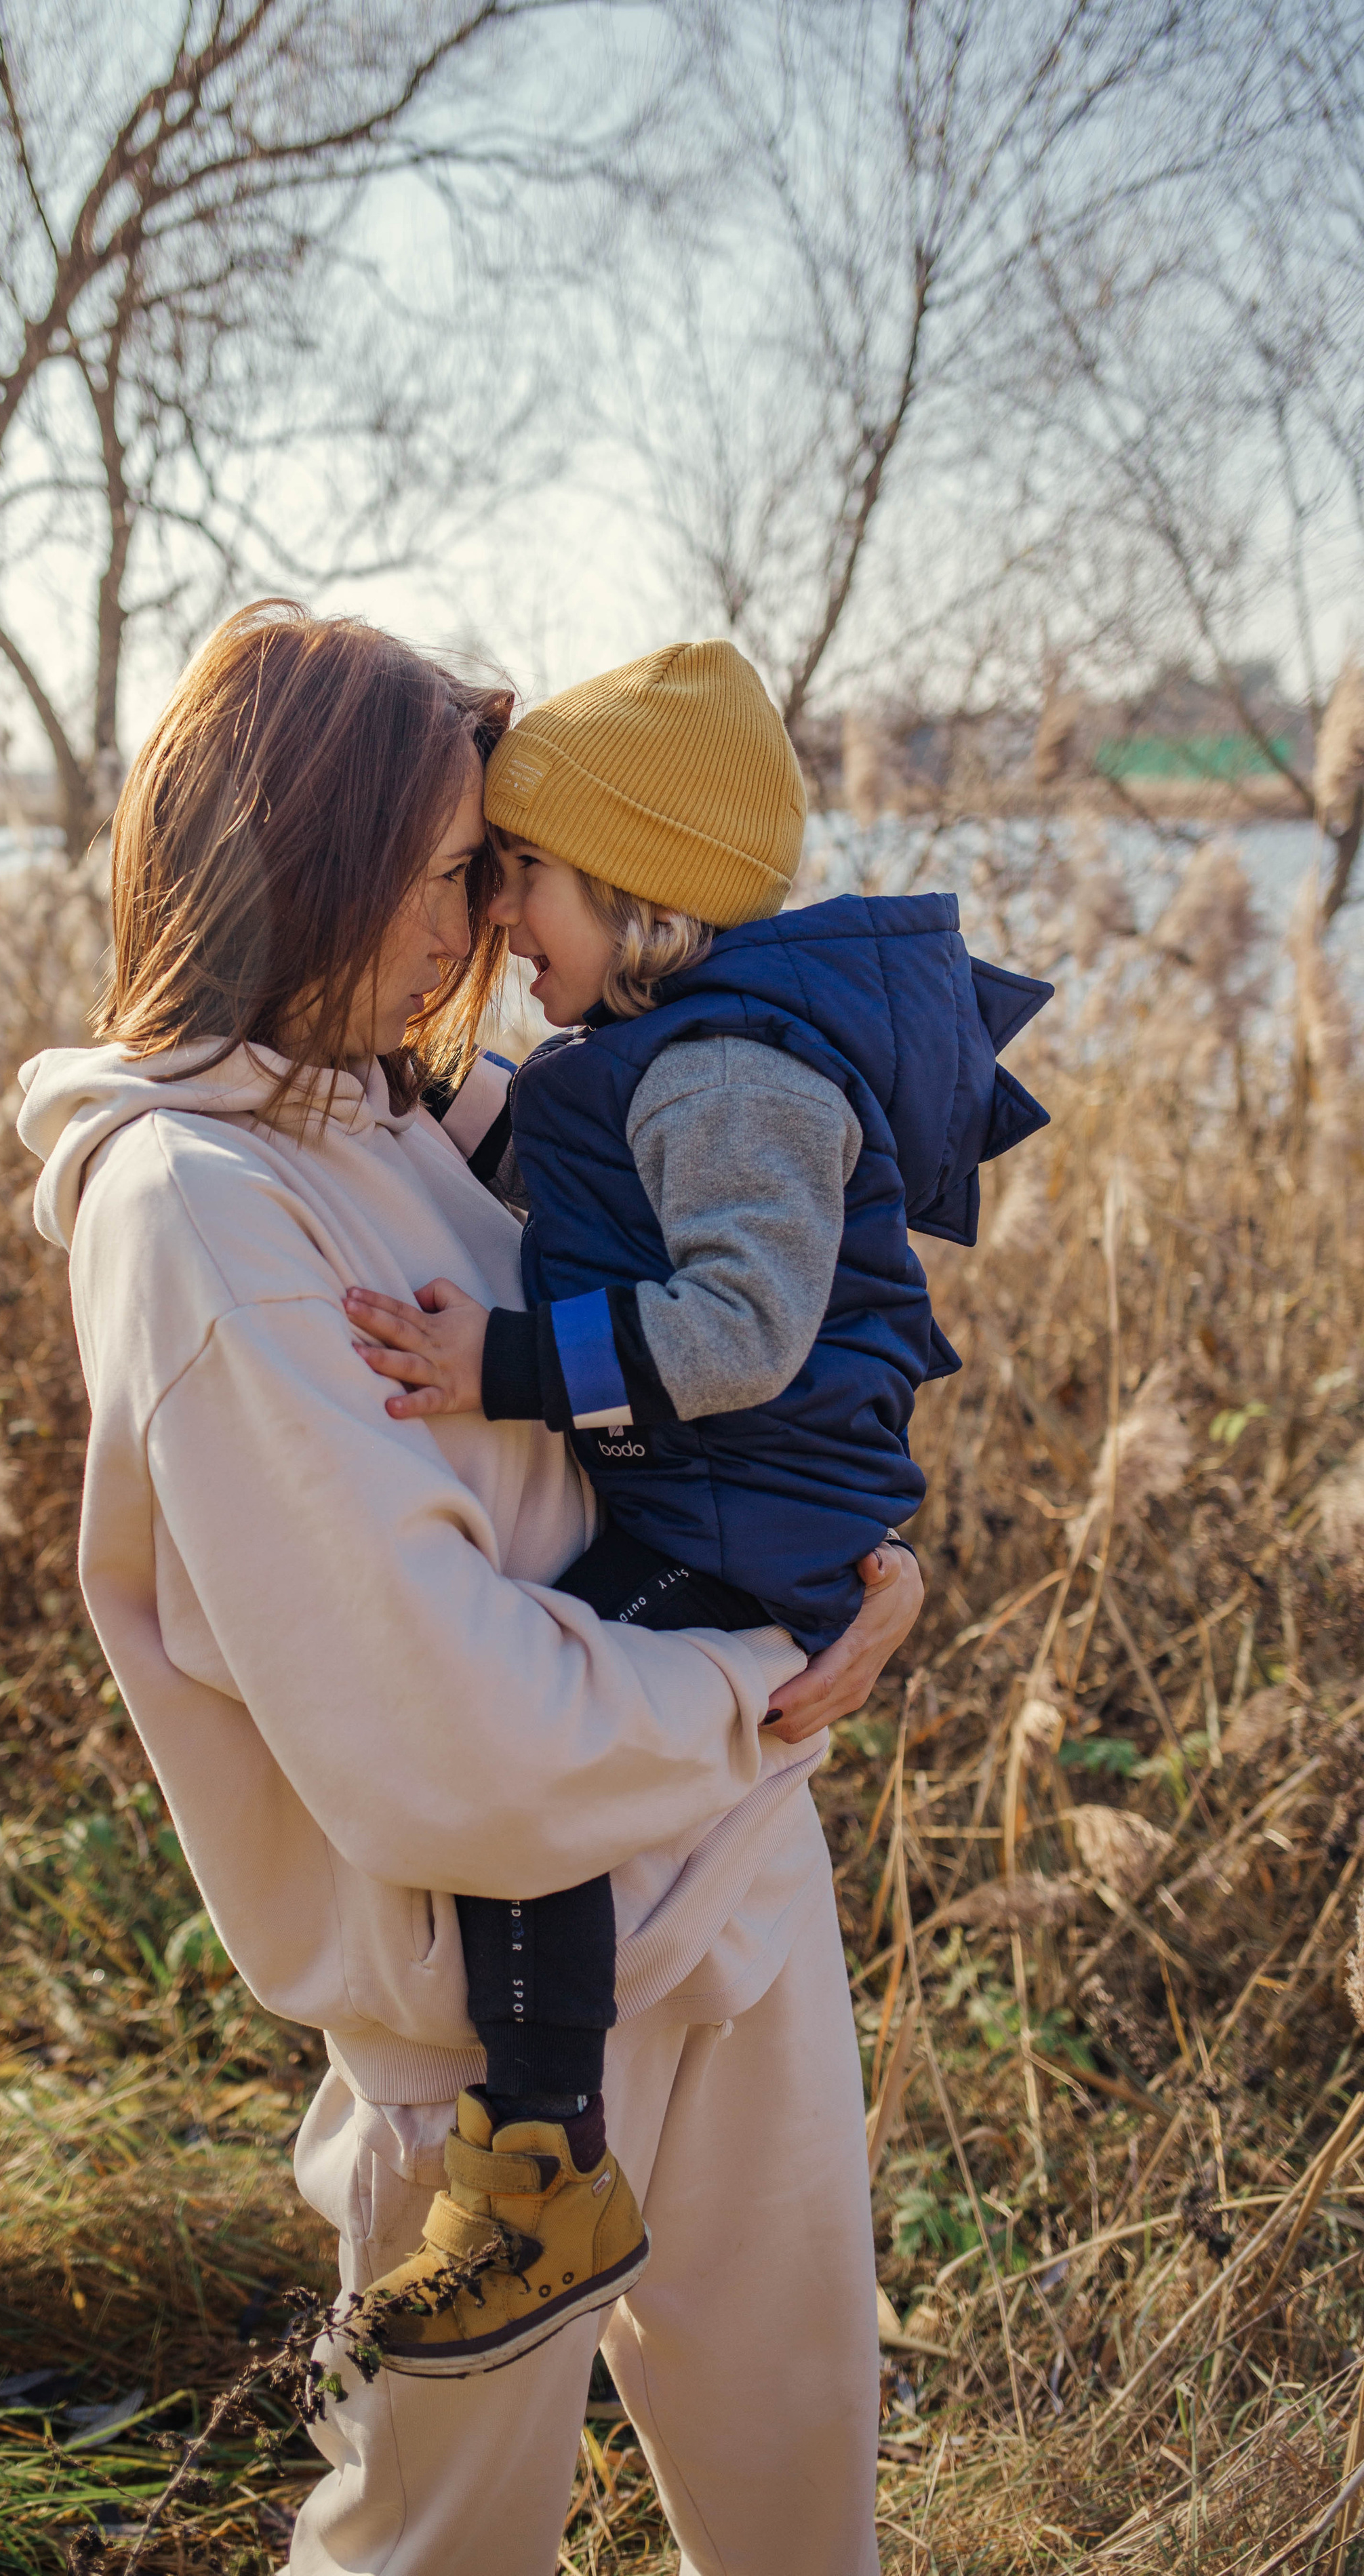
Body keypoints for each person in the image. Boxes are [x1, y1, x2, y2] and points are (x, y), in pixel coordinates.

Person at [17, 601, 923, 2576]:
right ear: (314, 863)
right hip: (503, 2068)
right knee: (442, 2554)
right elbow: (458, 1750)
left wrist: (863, 1568)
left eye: (504, 875)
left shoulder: (423, 1113)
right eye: (455, 876)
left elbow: (728, 1364)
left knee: (803, 2524)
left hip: (743, 1911)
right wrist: (763, 1678)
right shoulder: (198, 1211)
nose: (492, 930)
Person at [344, 639, 1051, 2375]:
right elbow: (599, 1194)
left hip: (746, 1521)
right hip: (720, 1503)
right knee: (540, 1732)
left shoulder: (738, 1078)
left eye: (524, 880)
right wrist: (426, 1099)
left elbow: (735, 1329)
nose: (503, 919)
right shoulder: (669, 1055)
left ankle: (540, 2171)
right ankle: (550, 2151)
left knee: (534, 1760)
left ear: (635, 889)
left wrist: (498, 1369)